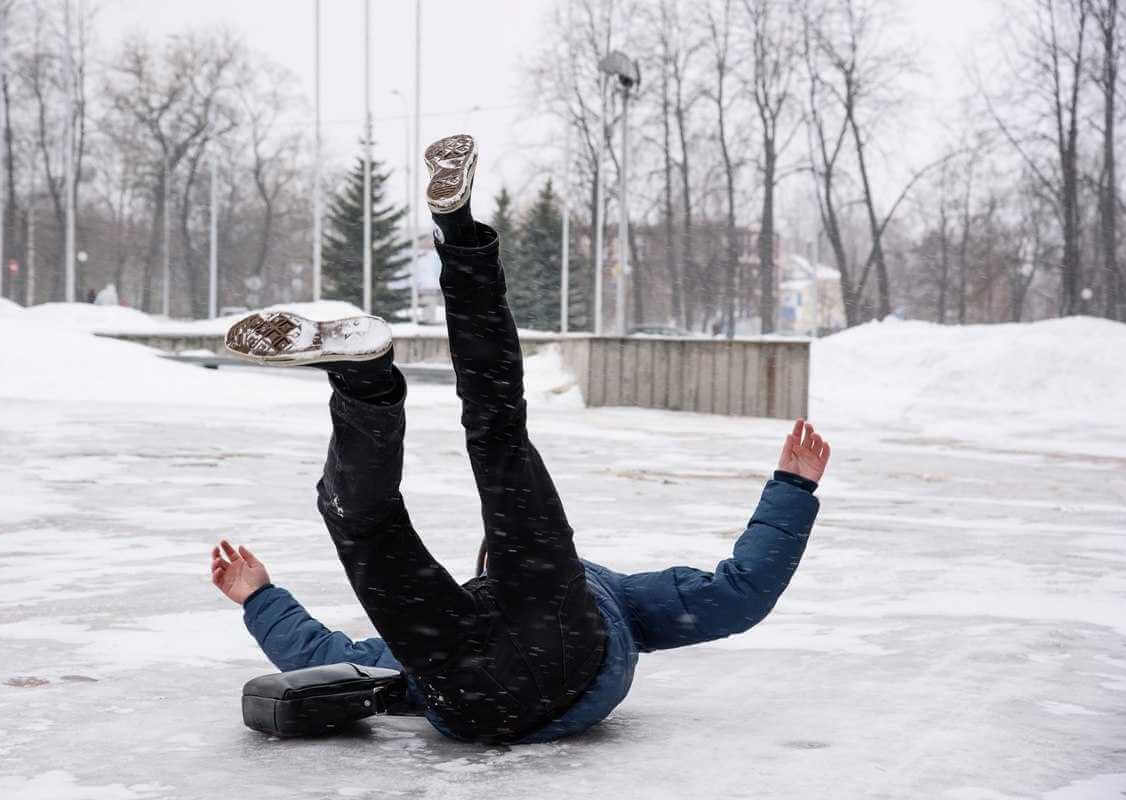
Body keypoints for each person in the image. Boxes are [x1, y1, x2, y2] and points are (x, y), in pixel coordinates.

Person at [213, 133, 830, 745]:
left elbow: (328, 653)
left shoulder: (539, 591)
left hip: (467, 688)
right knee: (465, 453)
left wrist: (260, 598)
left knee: (396, 498)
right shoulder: (615, 595)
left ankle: (375, 370)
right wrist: (793, 489)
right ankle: (399, 325)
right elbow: (739, 593)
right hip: (541, 667)